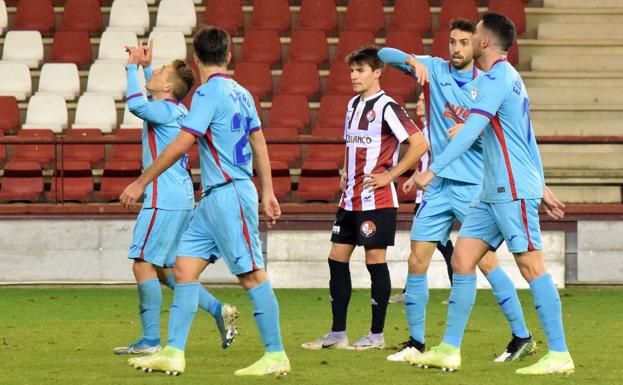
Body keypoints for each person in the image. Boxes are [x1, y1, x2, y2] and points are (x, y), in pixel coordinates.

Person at [409, 13, 574, 375]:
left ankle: (559, 354)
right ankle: (450, 349)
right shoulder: (509, 79)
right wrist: (542, 183)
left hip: (512, 190)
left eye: (476, 33)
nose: (471, 38)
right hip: (492, 191)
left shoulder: (497, 79)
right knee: (463, 259)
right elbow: (526, 138)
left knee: (531, 267)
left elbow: (471, 133)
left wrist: (432, 170)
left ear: (484, 41)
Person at [119, 27, 289, 377]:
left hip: (230, 192)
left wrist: (141, 180)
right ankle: (173, 352)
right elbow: (258, 141)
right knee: (182, 269)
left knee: (252, 275)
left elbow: (183, 143)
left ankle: (276, 354)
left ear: (196, 60)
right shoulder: (241, 93)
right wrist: (269, 189)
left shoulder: (207, 94)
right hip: (211, 198)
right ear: (228, 56)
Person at [379, 19, 536, 364]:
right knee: (416, 259)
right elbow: (382, 53)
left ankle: (521, 334)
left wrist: (474, 130)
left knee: (486, 263)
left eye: (464, 43)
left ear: (475, 46)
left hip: (474, 187)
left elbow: (499, 133)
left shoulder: (489, 82)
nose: (456, 49)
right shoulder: (434, 70)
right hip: (438, 187)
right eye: (452, 42)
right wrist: (411, 60)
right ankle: (416, 342)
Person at [113, 41, 238, 356]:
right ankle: (218, 309)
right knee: (166, 270)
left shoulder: (164, 109)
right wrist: (145, 65)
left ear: (168, 86)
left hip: (162, 198)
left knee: (142, 264)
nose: (154, 73)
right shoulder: (179, 109)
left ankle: (151, 340)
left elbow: (135, 104)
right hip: (181, 197)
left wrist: (132, 67)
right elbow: (153, 93)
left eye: (161, 72)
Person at [301, 46, 429, 351]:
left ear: (377, 72)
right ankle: (337, 334)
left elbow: (419, 143)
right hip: (349, 199)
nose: (354, 76)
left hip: (378, 200)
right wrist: (347, 171)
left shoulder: (387, 107)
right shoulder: (351, 105)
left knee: (375, 261)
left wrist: (391, 174)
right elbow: (356, 147)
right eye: (351, 71)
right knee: (336, 259)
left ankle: (376, 335)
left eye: (360, 70)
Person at [389, 92, 455, 305]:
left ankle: (455, 290)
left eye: (421, 100)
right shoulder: (425, 128)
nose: (417, 104)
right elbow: (425, 159)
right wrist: (415, 178)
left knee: (438, 245)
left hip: (433, 194)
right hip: (424, 193)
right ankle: (412, 291)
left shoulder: (437, 128)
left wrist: (431, 182)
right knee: (428, 245)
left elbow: (444, 159)